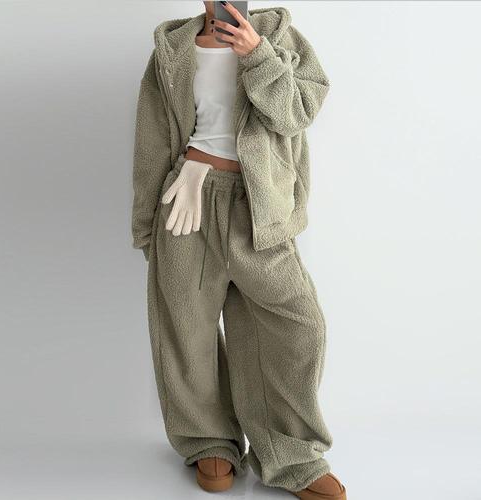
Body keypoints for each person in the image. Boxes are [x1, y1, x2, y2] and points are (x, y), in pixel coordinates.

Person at [131, 2, 346, 499]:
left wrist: (258, 55)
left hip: (257, 207)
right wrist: (146, 226)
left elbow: (299, 113)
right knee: (186, 327)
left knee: (298, 325)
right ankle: (208, 440)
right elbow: (151, 139)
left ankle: (292, 454)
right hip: (186, 199)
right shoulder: (172, 48)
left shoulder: (280, 37)